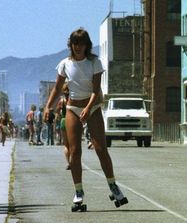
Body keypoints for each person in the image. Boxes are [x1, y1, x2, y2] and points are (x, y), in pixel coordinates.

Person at [44, 28, 128, 210]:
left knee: (100, 148)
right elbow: (57, 89)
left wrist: (89, 108)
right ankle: (78, 191)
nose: (78, 47)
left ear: (87, 45)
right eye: (75, 43)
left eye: (81, 44)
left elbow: (95, 90)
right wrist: (48, 107)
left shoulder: (94, 63)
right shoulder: (65, 64)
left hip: (93, 106)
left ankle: (113, 186)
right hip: (73, 108)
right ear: (71, 45)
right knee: (75, 151)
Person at [55, 83, 71, 169]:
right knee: (74, 144)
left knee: (66, 145)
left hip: (63, 121)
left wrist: (58, 117)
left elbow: (57, 113)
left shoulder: (62, 101)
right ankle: (73, 161)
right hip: (73, 121)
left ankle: (68, 163)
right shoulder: (73, 99)